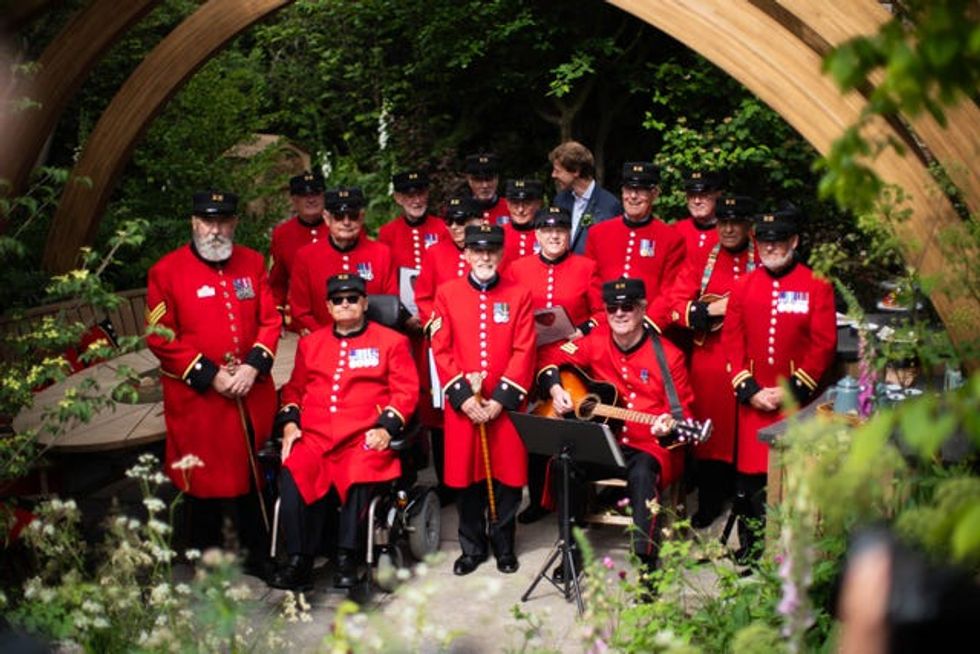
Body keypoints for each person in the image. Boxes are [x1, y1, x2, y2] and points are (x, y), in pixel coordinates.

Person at [145, 190, 280, 575]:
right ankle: (206, 557)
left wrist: (253, 366)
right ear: (194, 223)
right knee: (202, 477)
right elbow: (159, 336)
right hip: (199, 400)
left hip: (250, 392)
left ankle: (259, 554)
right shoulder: (166, 272)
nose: (215, 230)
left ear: (234, 222)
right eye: (208, 221)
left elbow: (270, 320)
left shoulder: (253, 263)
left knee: (254, 473)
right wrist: (210, 374)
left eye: (223, 221)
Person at [268, 274, 419, 591]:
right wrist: (291, 424)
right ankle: (300, 560)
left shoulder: (391, 342)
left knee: (360, 470)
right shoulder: (311, 343)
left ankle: (347, 555)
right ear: (328, 306)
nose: (346, 304)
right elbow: (294, 390)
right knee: (293, 469)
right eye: (338, 300)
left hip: (362, 434)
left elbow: (405, 392)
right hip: (315, 436)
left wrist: (385, 427)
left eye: (353, 298)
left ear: (365, 303)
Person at [537, 277, 695, 578]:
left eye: (628, 307)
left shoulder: (669, 355)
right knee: (563, 464)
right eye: (612, 308)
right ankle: (571, 551)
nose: (620, 314)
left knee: (642, 473)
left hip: (647, 445)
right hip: (604, 441)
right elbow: (551, 357)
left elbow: (684, 411)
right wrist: (556, 389)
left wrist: (668, 427)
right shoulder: (594, 342)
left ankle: (646, 563)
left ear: (642, 309)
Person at [722, 206, 837, 561]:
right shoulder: (742, 285)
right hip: (754, 400)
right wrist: (749, 389)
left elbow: (824, 344)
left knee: (793, 476)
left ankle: (791, 550)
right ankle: (750, 546)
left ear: (794, 242)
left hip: (796, 403)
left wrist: (788, 392)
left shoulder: (817, 284)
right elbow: (731, 339)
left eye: (778, 242)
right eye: (764, 242)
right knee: (750, 481)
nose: (769, 248)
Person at [430, 224, 536, 576]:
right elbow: (440, 347)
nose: (485, 256)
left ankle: (504, 544)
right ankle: (472, 547)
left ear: (501, 254)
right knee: (465, 480)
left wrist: (500, 400)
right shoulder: (446, 293)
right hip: (464, 408)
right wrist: (463, 398)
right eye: (477, 250)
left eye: (491, 250)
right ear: (466, 254)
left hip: (503, 408)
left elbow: (524, 349)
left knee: (507, 479)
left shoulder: (519, 294)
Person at [506, 205, 604, 524]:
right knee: (535, 429)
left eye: (560, 231)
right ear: (537, 234)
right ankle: (537, 500)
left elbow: (602, 314)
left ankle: (575, 503)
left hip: (574, 358)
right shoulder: (518, 268)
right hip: (531, 356)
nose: (554, 236)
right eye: (547, 231)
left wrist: (582, 329)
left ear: (569, 234)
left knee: (573, 428)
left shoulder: (587, 266)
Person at [668, 195, 758, 528]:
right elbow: (676, 306)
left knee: (747, 432)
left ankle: (747, 503)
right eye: (723, 222)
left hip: (751, 358)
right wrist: (706, 310)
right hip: (710, 360)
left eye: (736, 222)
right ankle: (708, 501)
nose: (729, 229)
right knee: (710, 435)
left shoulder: (763, 256)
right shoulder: (701, 260)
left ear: (749, 225)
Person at [584, 162, 685, 330]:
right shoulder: (598, 233)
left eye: (640, 190)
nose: (633, 196)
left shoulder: (671, 238)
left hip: (648, 329)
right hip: (604, 325)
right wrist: (602, 317)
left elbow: (669, 289)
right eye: (628, 189)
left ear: (655, 193)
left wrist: (648, 324)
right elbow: (592, 282)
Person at [288, 187, 397, 335]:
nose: (346, 222)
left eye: (353, 216)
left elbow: (389, 305)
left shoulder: (381, 253)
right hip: (322, 343)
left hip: (372, 344)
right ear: (326, 218)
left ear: (362, 217)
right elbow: (300, 311)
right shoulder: (306, 256)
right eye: (339, 216)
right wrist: (327, 340)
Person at [269, 171, 327, 328]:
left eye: (316, 193)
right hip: (298, 323)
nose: (311, 199)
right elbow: (277, 281)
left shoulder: (341, 227)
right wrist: (277, 312)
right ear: (294, 200)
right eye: (303, 195)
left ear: (324, 196)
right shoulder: (282, 234)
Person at [549, 140, 622, 253]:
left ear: (576, 171)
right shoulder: (560, 200)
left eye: (557, 171)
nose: (553, 175)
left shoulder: (609, 206)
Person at [377, 169, 448, 274]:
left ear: (427, 194)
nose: (417, 201)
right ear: (398, 198)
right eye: (410, 196)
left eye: (421, 194)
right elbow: (385, 271)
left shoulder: (442, 227)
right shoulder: (388, 232)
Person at [672, 170, 725, 261]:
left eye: (703, 195)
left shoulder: (733, 233)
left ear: (718, 195)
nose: (697, 201)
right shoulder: (676, 231)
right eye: (691, 195)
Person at [500, 178, 544, 266]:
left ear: (538, 204)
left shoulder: (546, 235)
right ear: (507, 204)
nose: (520, 210)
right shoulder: (499, 233)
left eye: (527, 204)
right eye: (515, 203)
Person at [462, 152, 509, 225]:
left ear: (497, 179)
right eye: (478, 180)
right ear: (469, 180)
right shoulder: (461, 209)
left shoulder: (511, 208)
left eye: (489, 179)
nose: (485, 185)